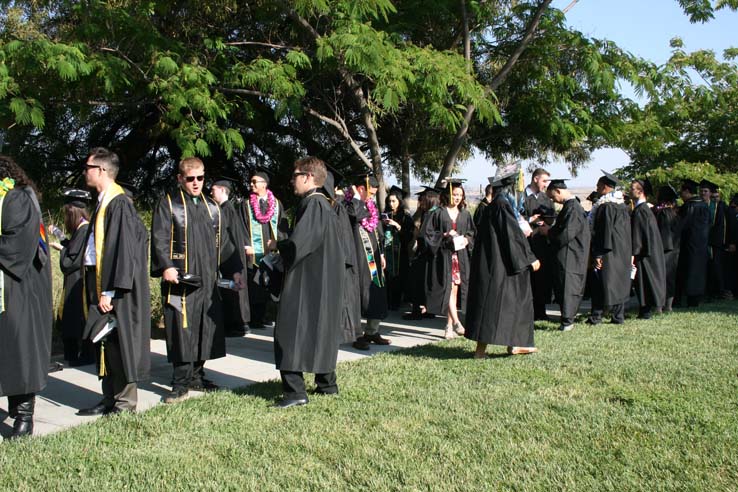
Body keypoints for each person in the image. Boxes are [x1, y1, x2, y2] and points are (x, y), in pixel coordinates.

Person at [151, 157, 244, 403]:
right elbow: (159, 238)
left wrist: (234, 270)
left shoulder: (212, 207)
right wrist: (166, 266)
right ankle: (180, 382)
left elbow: (224, 243)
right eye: (190, 178)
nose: (196, 183)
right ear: (180, 178)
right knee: (181, 329)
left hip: (208, 279)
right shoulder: (169, 204)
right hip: (180, 280)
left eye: (200, 178)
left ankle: (197, 375)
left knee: (205, 326)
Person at [76, 147, 151, 416]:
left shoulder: (119, 203)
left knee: (120, 345)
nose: (85, 172)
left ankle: (124, 403)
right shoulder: (103, 200)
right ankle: (108, 398)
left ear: (102, 170)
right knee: (104, 342)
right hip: (100, 284)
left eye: (88, 167)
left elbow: (125, 251)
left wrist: (109, 291)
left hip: (116, 290)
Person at [273, 156, 344, 408]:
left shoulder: (313, 204)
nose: (292, 180)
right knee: (321, 331)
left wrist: (277, 245)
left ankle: (294, 392)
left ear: (308, 176)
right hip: (324, 280)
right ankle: (327, 385)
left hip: (306, 280)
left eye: (295, 175)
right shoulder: (326, 205)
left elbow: (298, 246)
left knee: (289, 331)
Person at [0, 155, 52, 438]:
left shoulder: (19, 197)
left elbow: (17, 244)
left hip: (18, 285)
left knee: (19, 350)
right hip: (4, 283)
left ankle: (23, 416)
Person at [465, 174, 540, 357]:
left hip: (501, 262)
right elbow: (511, 235)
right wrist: (529, 257)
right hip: (500, 265)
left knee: (508, 304)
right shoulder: (501, 204)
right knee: (491, 305)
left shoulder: (501, 203)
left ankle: (514, 345)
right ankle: (480, 352)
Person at [424, 178, 476, 339]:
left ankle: (448, 326)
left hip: (460, 257)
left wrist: (467, 239)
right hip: (443, 256)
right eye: (454, 194)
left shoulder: (465, 214)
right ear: (448, 195)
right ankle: (456, 322)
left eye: (460, 194)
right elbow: (428, 234)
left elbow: (472, 232)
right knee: (448, 289)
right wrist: (444, 235)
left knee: (454, 291)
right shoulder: (437, 213)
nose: (457, 197)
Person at [49, 189, 94, 366]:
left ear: (72, 212)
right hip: (77, 282)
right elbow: (73, 246)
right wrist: (60, 235)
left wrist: (61, 250)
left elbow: (69, 262)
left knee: (75, 320)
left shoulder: (83, 230)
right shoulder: (85, 228)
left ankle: (79, 358)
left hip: (77, 283)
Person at [538, 179, 590, 331]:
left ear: (558, 190)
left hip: (571, 256)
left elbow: (566, 233)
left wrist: (548, 231)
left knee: (568, 287)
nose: (553, 200)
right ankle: (566, 319)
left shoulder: (573, 208)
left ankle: (568, 321)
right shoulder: (570, 207)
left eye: (553, 197)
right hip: (567, 255)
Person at [240, 169, 288, 329]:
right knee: (254, 283)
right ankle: (254, 318)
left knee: (270, 283)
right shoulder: (245, 205)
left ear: (265, 184)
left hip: (272, 252)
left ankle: (267, 315)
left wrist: (280, 243)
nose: (251, 184)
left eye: (255, 182)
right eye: (251, 181)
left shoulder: (277, 203)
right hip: (253, 252)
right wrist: (246, 244)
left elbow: (282, 226)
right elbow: (241, 226)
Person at [347, 173, 390, 348]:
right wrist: (356, 198)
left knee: (376, 292)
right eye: (370, 193)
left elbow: (376, 230)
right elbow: (354, 215)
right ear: (360, 189)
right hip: (357, 257)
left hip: (373, 257)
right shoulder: (348, 204)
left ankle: (372, 331)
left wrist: (381, 254)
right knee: (356, 295)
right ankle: (356, 335)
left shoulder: (371, 206)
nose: (372, 197)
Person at [586, 171, 632, 325]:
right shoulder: (622, 205)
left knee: (600, 281)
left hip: (608, 251)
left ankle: (596, 316)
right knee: (619, 282)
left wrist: (598, 254)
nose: (597, 188)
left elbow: (603, 232)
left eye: (598, 186)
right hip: (622, 250)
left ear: (606, 187)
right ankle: (618, 316)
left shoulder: (606, 207)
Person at [211, 177, 250, 337]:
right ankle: (238, 323)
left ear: (222, 190)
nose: (211, 193)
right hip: (232, 256)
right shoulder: (230, 209)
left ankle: (235, 324)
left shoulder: (225, 211)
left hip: (228, 257)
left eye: (213, 190)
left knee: (229, 289)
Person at [519, 168, 555, 321]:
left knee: (541, 279)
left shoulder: (545, 198)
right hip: (525, 244)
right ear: (535, 179)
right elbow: (516, 218)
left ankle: (540, 311)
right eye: (544, 181)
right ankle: (526, 312)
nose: (546, 185)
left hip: (541, 244)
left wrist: (547, 223)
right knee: (527, 280)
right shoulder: (521, 197)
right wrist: (530, 220)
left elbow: (551, 215)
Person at [629, 179, 666, 319]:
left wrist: (634, 252)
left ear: (640, 191)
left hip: (644, 254)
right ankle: (645, 310)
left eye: (632, 188)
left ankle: (646, 311)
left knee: (644, 282)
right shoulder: (644, 210)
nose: (630, 190)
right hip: (648, 251)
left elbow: (638, 234)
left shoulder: (641, 211)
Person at [403, 186, 440, 320]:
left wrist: (418, 235)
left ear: (430, 200)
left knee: (417, 281)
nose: (421, 203)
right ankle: (428, 309)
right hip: (428, 253)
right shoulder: (432, 213)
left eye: (423, 200)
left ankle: (417, 311)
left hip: (425, 253)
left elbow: (426, 235)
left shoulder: (432, 213)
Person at [675, 179, 710, 307]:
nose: (681, 196)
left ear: (687, 191)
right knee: (698, 272)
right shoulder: (704, 205)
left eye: (682, 193)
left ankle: (684, 300)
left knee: (688, 272)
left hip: (688, 245)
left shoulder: (690, 206)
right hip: (701, 244)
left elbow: (682, 226)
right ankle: (696, 299)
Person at [700, 179, 733, 300]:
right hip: (702, 242)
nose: (703, 193)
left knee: (716, 267)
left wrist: (729, 242)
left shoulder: (718, 207)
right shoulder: (699, 205)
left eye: (705, 191)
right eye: (701, 191)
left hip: (715, 243)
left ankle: (720, 291)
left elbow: (726, 225)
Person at [383, 186, 414, 310]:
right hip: (386, 252)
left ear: (399, 202)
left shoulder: (405, 217)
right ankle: (386, 301)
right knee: (386, 276)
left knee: (398, 277)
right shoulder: (384, 215)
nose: (391, 204)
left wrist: (397, 225)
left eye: (394, 201)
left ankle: (396, 302)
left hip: (400, 253)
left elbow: (409, 235)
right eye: (389, 201)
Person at [654, 185, 682, 312]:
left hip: (664, 249)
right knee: (670, 277)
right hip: (674, 249)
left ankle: (660, 306)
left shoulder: (663, 213)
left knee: (662, 277)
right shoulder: (674, 213)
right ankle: (668, 305)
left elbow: (663, 233)